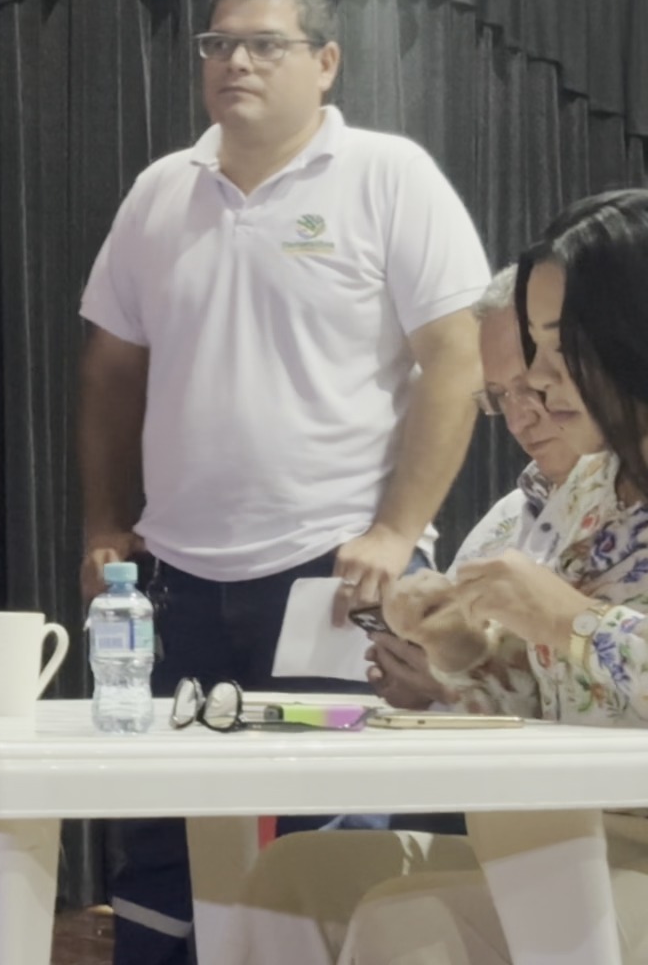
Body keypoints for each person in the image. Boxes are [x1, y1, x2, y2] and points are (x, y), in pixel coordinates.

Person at [76, 0, 491, 964]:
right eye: (219, 44)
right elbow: (111, 373)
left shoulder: (389, 177)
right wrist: (102, 523)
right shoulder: (160, 192)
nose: (238, 63)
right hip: (173, 578)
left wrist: (395, 531)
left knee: (333, 831)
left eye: (266, 44)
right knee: (161, 833)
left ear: (326, 62)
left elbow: (456, 360)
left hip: (334, 575)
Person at [239, 189, 648, 964]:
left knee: (410, 923)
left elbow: (572, 639)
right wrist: (460, 658)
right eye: (527, 360)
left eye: (558, 349)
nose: (540, 384)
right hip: (566, 830)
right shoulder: (588, 493)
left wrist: (570, 619)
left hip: (607, 841)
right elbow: (543, 709)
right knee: (292, 878)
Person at [364, 264, 582, 711]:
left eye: (534, 386)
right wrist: (428, 686)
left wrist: (456, 684)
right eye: (500, 396)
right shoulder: (506, 520)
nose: (518, 419)